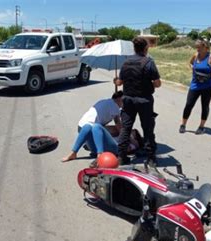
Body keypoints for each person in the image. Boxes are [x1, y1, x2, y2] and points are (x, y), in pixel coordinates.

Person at [114, 36, 161, 166]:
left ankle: (122, 157)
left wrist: (116, 80)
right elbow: (157, 84)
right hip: (144, 100)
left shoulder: (126, 63)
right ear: (146, 48)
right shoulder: (149, 62)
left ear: (134, 48)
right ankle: (151, 158)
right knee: (148, 128)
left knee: (126, 128)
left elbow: (119, 82)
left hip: (128, 99)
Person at [179, 39, 211, 135]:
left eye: (199, 47)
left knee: (205, 106)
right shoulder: (195, 55)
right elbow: (190, 63)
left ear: (205, 47)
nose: (197, 49)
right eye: (196, 47)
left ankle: (201, 126)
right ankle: (183, 124)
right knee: (189, 105)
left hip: (208, 86)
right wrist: (192, 69)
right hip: (195, 85)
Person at [62, 91, 123, 163]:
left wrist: (131, 139)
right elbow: (118, 125)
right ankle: (75, 152)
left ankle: (98, 154)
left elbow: (118, 128)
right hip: (97, 140)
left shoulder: (104, 101)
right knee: (92, 126)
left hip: (113, 147)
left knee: (94, 126)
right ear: (119, 99)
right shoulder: (115, 107)